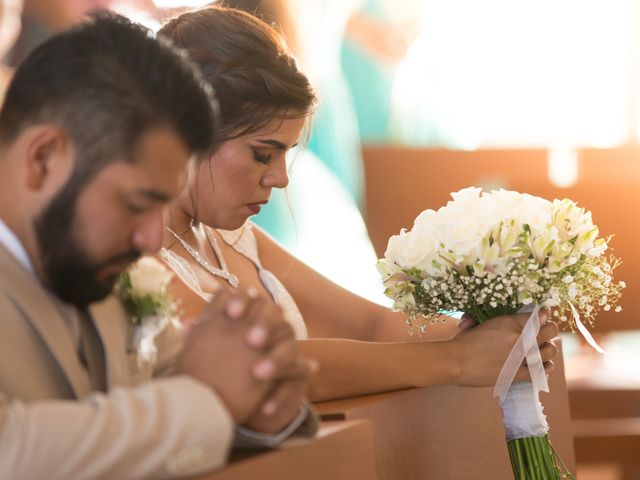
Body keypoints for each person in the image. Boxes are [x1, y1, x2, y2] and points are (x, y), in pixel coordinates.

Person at [157, 6, 559, 403]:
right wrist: (454, 359)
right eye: (263, 154)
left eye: (286, 155)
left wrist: (491, 331)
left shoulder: (235, 239)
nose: (281, 178)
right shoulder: (139, 259)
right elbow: (259, 368)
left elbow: (371, 324)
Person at [0, 11, 316, 479]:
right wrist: (209, 398)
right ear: (44, 158)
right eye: (136, 202)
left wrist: (261, 404)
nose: (152, 239)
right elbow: (11, 452)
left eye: (164, 204)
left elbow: (176, 402)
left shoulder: (97, 264)